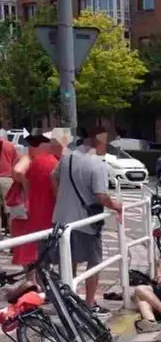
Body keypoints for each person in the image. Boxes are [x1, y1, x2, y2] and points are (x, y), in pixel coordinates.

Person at [51, 126, 123, 319]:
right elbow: (101, 196)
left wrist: (61, 198)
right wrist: (116, 205)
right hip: (86, 222)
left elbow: (53, 177)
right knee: (94, 263)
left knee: (68, 261)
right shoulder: (97, 165)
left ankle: (69, 300)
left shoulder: (68, 157)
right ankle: (89, 304)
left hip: (62, 220)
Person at [10, 130, 58, 286]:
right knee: (34, 247)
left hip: (34, 209)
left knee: (34, 247)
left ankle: (34, 283)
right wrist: (26, 184)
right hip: (32, 210)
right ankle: (33, 283)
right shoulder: (32, 159)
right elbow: (18, 171)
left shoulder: (38, 160)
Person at [0, 129, 19, 237]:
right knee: (9, 211)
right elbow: (16, 163)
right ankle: (13, 239)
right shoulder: (11, 146)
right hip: (7, 179)